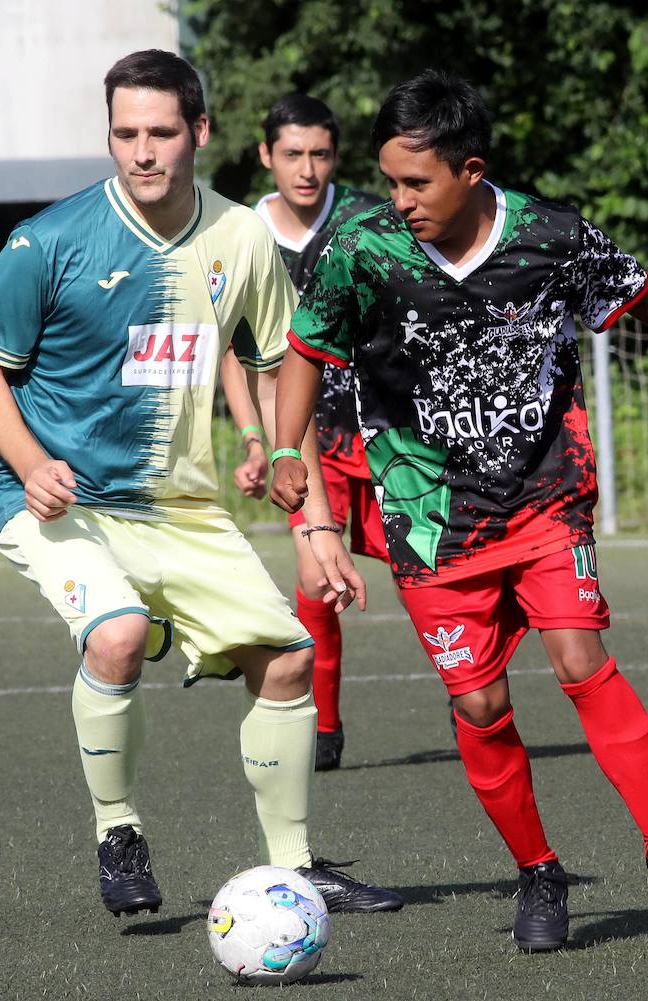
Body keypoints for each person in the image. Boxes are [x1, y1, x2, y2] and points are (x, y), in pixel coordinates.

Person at [269, 70, 648, 951]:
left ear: (471, 170)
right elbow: (307, 348)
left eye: (417, 182)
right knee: (483, 705)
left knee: (578, 654)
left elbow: (644, 297)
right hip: (429, 519)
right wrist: (281, 447)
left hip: (542, 495)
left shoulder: (551, 236)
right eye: (389, 181)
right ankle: (539, 873)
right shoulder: (361, 249)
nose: (400, 199)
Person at [0, 49, 402, 920]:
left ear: (199, 131)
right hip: (59, 502)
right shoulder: (45, 241)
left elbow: (283, 379)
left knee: (289, 659)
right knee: (117, 635)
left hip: (181, 507)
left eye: (162, 132)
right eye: (125, 133)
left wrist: (316, 527)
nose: (142, 151)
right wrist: (30, 462)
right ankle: (117, 833)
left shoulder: (242, 237)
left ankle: (297, 865)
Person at [218, 93, 387, 771]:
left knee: (433, 565)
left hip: (386, 431)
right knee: (316, 578)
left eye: (320, 153)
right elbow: (235, 352)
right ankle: (324, 724)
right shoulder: (238, 234)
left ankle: (473, 691)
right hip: (304, 439)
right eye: (292, 154)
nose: (307, 168)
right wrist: (257, 439)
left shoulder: (371, 219)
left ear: (335, 157)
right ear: (266, 156)